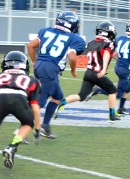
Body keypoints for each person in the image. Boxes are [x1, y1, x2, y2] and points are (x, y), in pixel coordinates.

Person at [26, 11, 86, 139]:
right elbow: (72, 57)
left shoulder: (46, 31)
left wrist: (34, 61)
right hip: (50, 68)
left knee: (58, 96)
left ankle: (45, 126)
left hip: (40, 66)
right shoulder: (75, 39)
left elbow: (30, 46)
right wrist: (73, 70)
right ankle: (22, 128)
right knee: (40, 102)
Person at [57, 21, 123, 121]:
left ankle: (63, 102)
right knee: (113, 91)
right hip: (97, 73)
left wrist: (114, 56)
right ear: (108, 32)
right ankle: (112, 115)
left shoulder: (91, 43)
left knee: (81, 96)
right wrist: (104, 69)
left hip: (88, 73)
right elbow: (105, 54)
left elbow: (101, 53)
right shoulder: (108, 44)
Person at [84, 21, 130, 115]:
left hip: (119, 67)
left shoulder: (120, 38)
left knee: (126, 89)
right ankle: (98, 90)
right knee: (119, 93)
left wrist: (119, 60)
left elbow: (114, 53)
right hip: (124, 70)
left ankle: (121, 108)